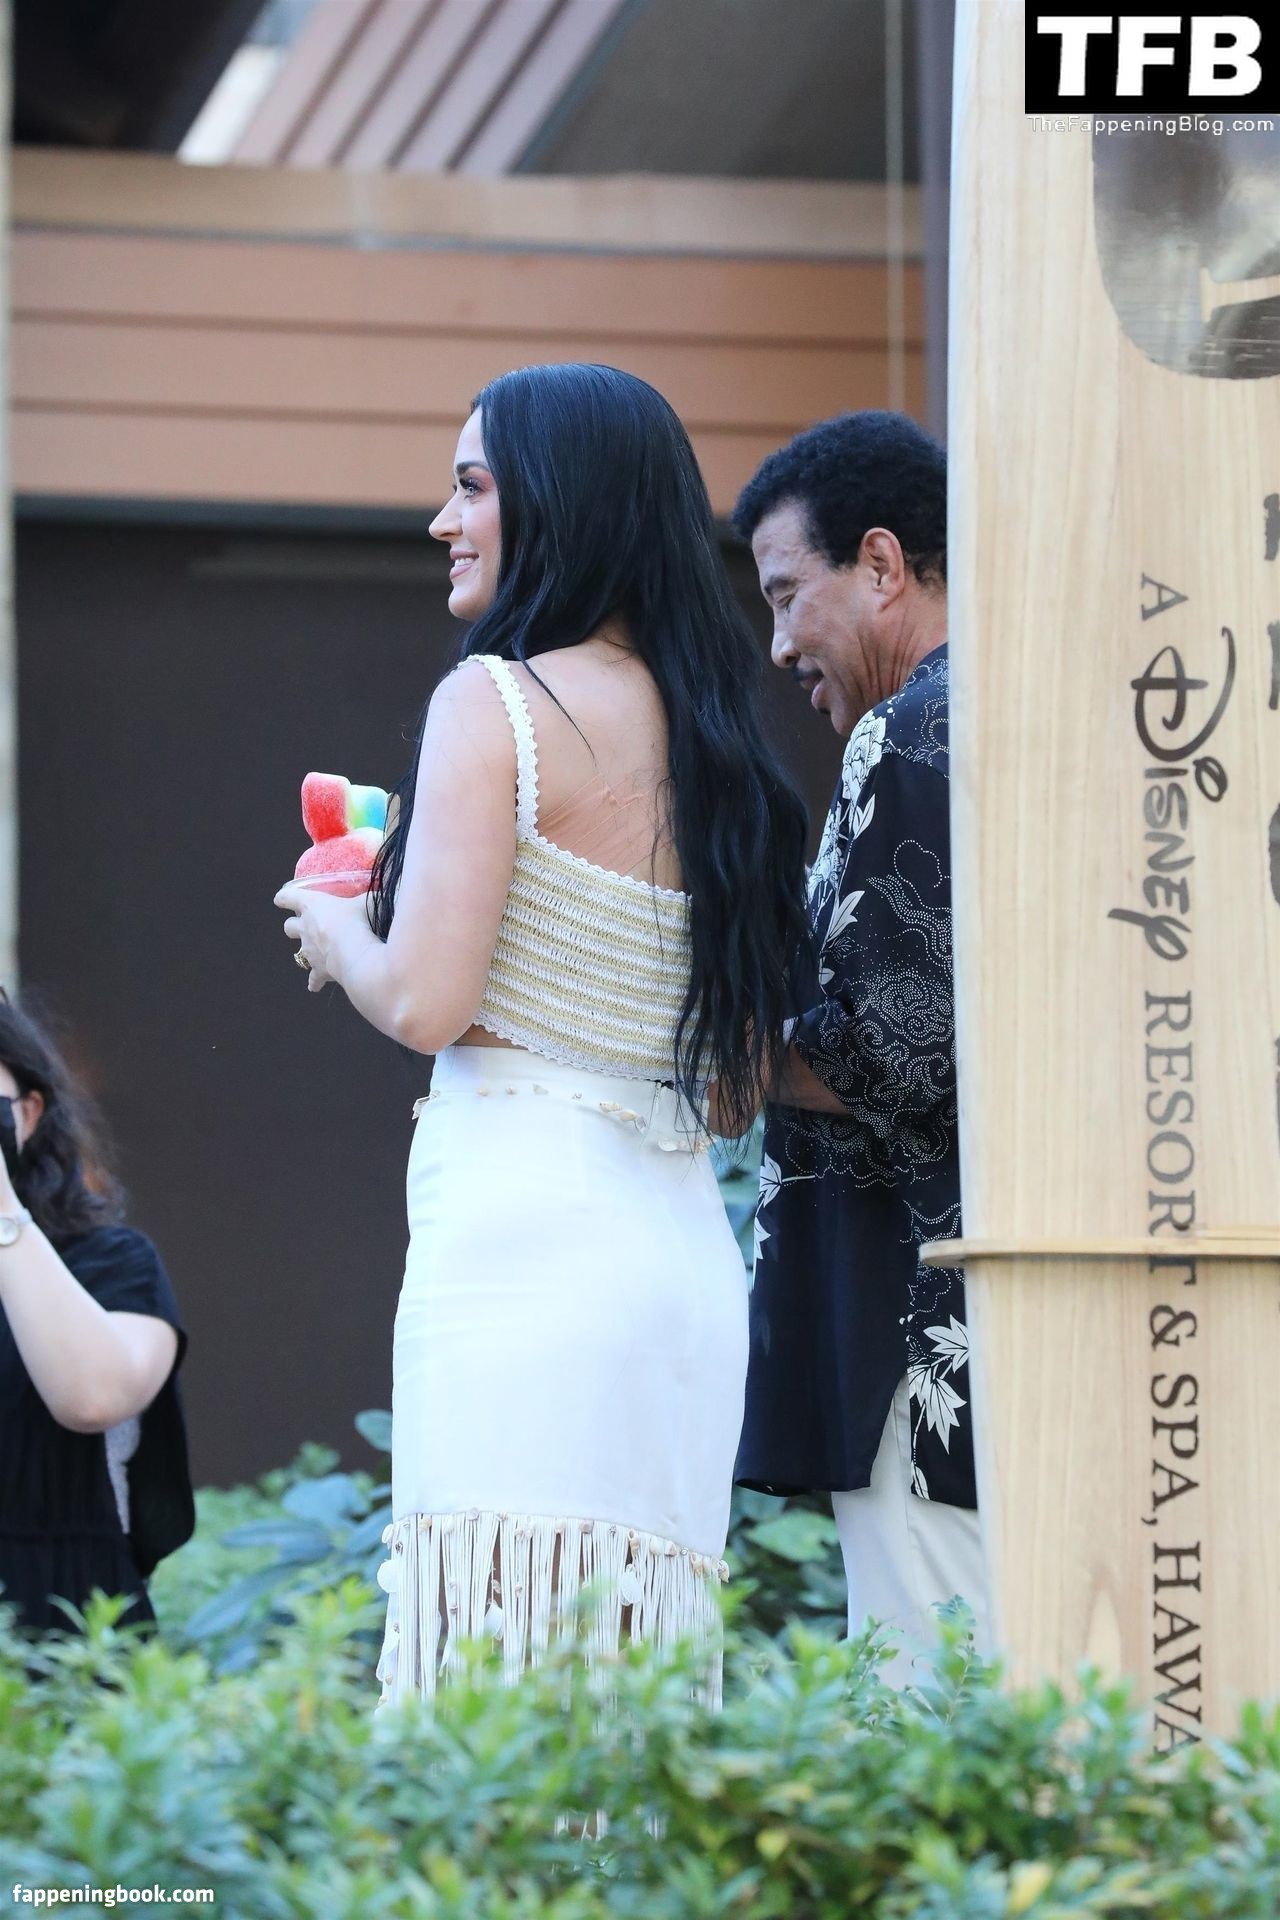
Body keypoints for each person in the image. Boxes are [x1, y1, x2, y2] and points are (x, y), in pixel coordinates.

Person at [274, 363, 810, 1706]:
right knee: (631, 1699)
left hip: (525, 1252)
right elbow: (735, 1092)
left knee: (492, 1698)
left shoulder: (496, 704)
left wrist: (334, 925)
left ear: (561, 501)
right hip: (676, 1268)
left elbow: (424, 1002)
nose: (443, 521)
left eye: (472, 487)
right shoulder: (722, 750)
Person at [731, 411, 990, 1683]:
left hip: (913, 1334)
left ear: (881, 564)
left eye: (788, 595)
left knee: (932, 1709)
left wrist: (706, 1050)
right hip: (1020, 1315)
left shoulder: (910, 731)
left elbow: (890, 1054)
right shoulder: (1025, 722)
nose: (778, 643)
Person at [0, 994, 193, 1637]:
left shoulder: (112, 1264)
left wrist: (2, 1211)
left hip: (66, 1627)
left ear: (28, 1114)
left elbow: (94, 1397)